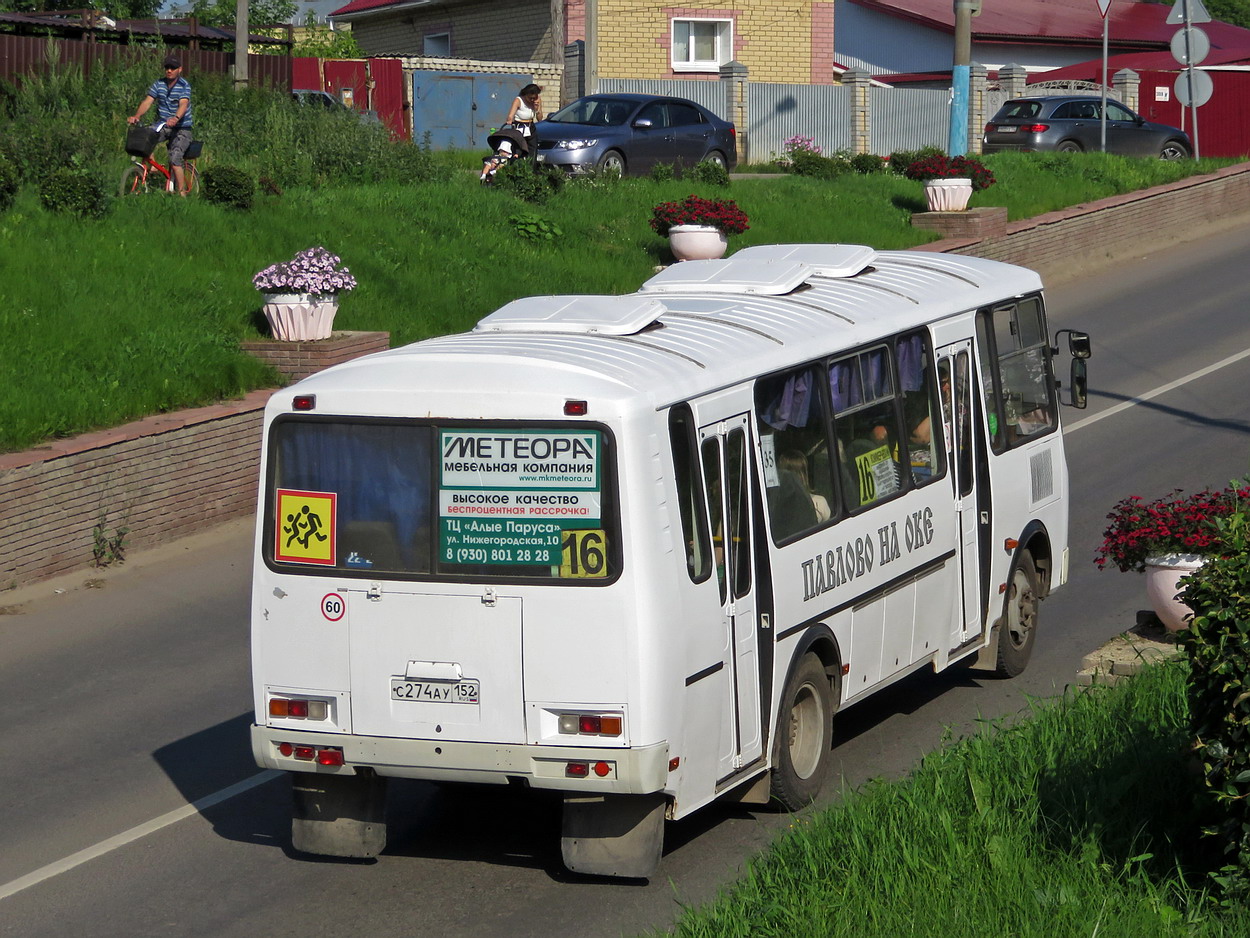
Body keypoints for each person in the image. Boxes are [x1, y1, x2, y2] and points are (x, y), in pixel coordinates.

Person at [127, 54, 193, 195]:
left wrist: (175, 118)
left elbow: (183, 104)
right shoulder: (159, 84)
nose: (169, 70)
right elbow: (147, 101)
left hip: (182, 128)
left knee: (175, 158)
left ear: (179, 69)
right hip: (163, 125)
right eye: (167, 67)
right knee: (144, 137)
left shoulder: (184, 85)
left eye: (173, 68)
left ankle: (181, 194)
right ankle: (153, 168)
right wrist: (137, 116)